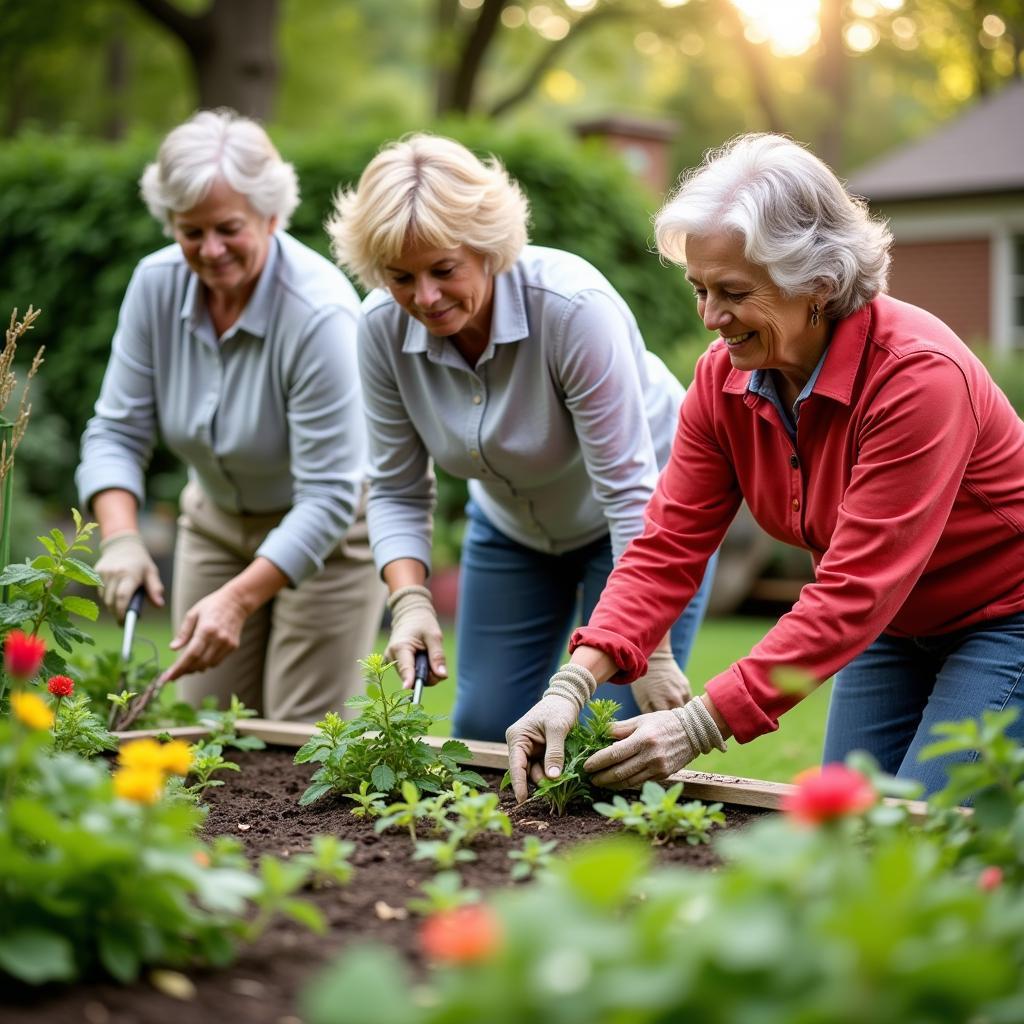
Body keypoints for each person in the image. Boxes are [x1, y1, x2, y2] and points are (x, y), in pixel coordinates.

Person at [507, 132, 1024, 800]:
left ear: (818, 282)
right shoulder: (723, 380)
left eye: (733, 292)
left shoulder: (917, 378)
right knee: (838, 831)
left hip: (1006, 615)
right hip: (895, 627)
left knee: (928, 836)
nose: (710, 317)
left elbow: (854, 590)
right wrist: (570, 684)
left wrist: (696, 724)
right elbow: (666, 547)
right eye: (699, 288)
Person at [325, 133, 715, 743]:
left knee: (602, 732)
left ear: (485, 247)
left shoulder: (570, 308)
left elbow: (628, 494)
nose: (424, 297)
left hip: (646, 527)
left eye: (444, 269)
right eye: (401, 277)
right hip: (513, 532)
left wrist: (650, 646)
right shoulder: (380, 328)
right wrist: (409, 601)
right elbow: (398, 489)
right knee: (485, 730)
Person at [77, 109, 386, 722]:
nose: (209, 250)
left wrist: (238, 601)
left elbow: (327, 494)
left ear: (271, 215)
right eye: (191, 232)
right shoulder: (154, 286)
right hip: (215, 524)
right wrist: (121, 539)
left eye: (228, 228)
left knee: (299, 736)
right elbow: (116, 430)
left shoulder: (320, 312)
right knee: (205, 731)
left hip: (332, 537)